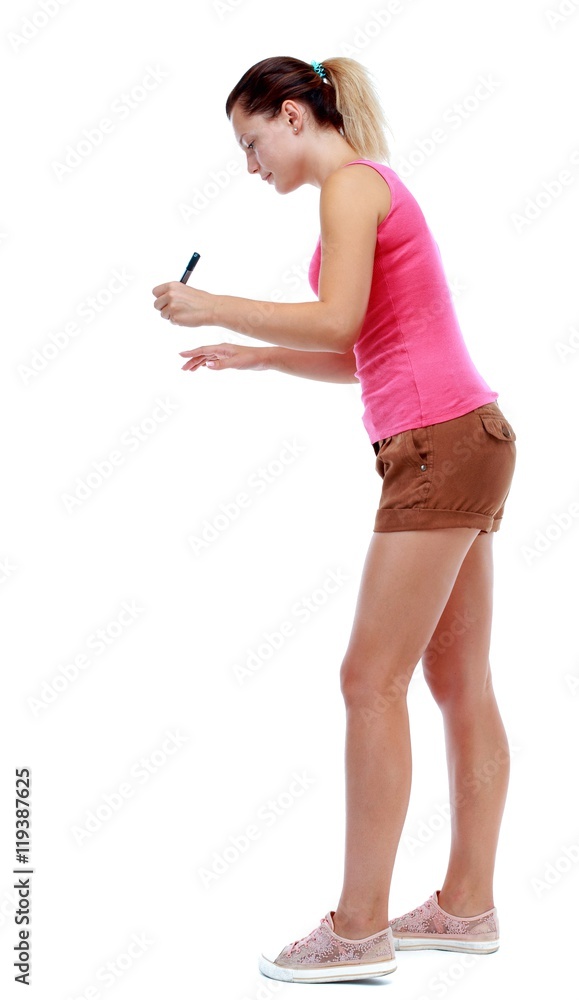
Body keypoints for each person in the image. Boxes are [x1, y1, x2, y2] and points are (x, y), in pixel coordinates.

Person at [152, 55, 517, 985]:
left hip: (436, 446)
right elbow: (363, 347)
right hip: (463, 435)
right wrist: (255, 355)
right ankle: (466, 907)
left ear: (291, 115)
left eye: (251, 142)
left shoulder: (351, 187)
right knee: (456, 681)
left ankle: (357, 930)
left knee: (368, 680)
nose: (251, 165)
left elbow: (335, 319)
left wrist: (213, 304)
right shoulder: (363, 191)